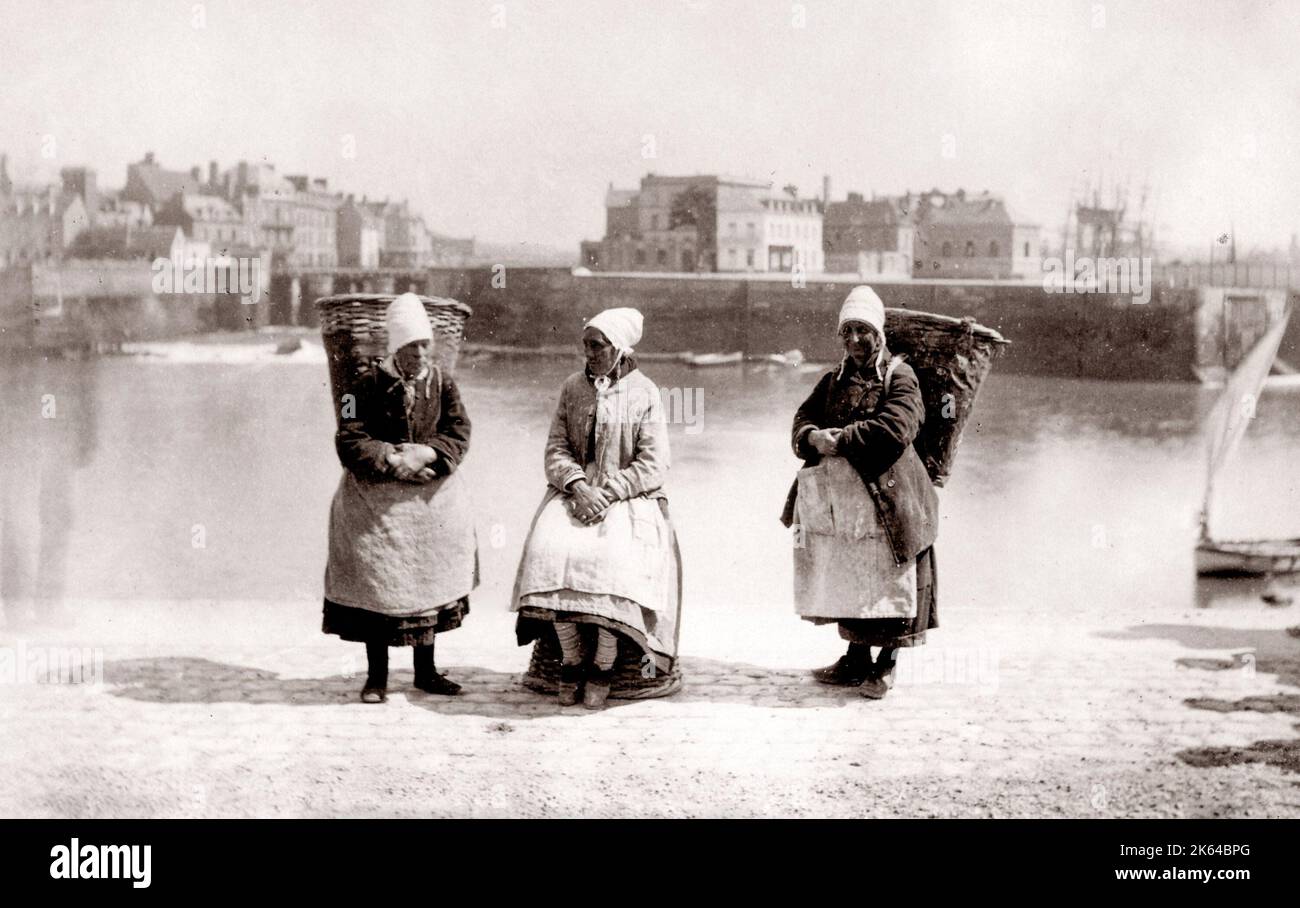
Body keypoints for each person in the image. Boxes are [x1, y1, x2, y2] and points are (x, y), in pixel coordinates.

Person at [511, 307, 682, 709]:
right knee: (550, 548)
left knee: (613, 559)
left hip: (626, 497)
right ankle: (571, 660)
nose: (588, 353)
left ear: (618, 348)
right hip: (576, 492)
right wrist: (577, 485)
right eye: (585, 345)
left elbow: (654, 463)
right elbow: (556, 447)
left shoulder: (646, 393)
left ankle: (603, 664)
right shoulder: (572, 387)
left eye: (596, 345)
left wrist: (609, 491)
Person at [782, 285, 939, 699]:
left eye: (862, 331)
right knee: (852, 576)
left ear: (879, 335)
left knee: (891, 581)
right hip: (848, 504)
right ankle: (855, 659)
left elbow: (896, 429)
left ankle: (886, 665)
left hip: (891, 500)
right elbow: (802, 418)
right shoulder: (834, 379)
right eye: (847, 331)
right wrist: (812, 437)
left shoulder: (899, 376)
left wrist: (843, 439)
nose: (854, 340)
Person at [322, 293, 478, 703]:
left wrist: (430, 453)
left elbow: (460, 430)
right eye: (413, 347)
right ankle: (377, 677)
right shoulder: (363, 385)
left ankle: (426, 672)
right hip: (377, 491)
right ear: (396, 348)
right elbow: (349, 436)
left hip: (428, 486)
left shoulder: (442, 383)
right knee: (379, 577)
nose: (422, 353)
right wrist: (391, 458)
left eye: (426, 344)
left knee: (427, 575)